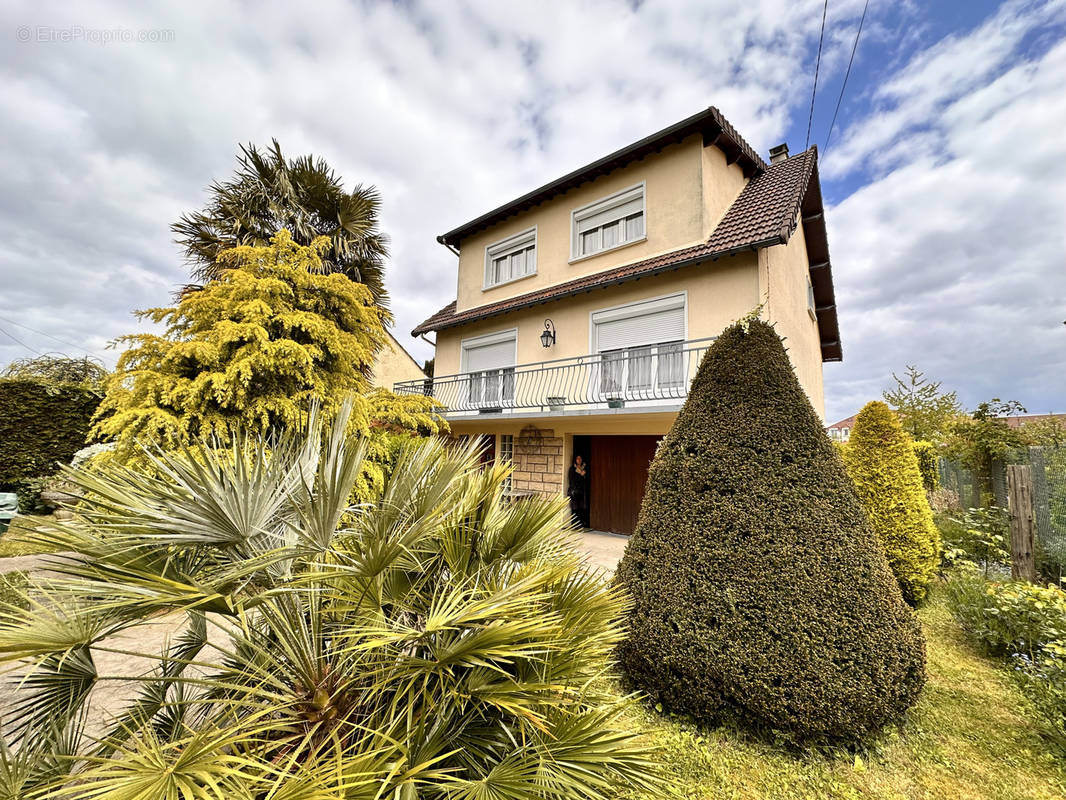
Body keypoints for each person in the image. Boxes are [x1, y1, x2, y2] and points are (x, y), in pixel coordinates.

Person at [567, 453, 590, 529]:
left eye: (580, 458)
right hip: (575, 491)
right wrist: (580, 474)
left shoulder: (585, 468)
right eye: (577, 458)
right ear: (575, 460)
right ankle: (574, 524)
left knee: (582, 508)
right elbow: (572, 480)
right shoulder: (572, 469)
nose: (579, 460)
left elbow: (587, 480)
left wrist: (584, 475)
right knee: (575, 508)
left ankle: (582, 523)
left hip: (582, 491)